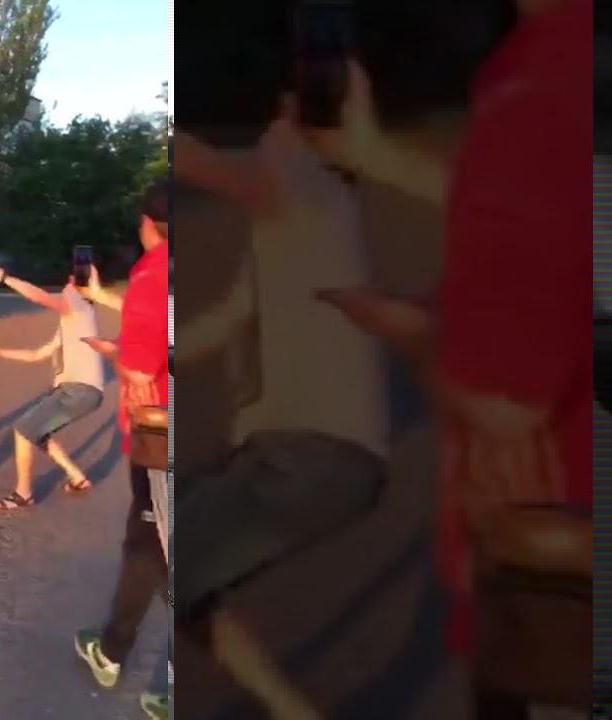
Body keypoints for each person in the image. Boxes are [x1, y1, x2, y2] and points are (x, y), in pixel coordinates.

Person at [306, 0, 591, 712]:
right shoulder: (555, 58)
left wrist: (417, 334)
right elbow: (554, 216)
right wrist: (375, 155)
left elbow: (505, 404)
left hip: (553, 572)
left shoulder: (537, 84)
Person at [81, 99, 393, 720]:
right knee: (192, 584)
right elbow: (220, 323)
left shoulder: (312, 198)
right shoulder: (296, 238)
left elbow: (209, 165)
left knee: (166, 554)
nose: (270, 136)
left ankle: (129, 659)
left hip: (304, 454)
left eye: (284, 129)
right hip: (318, 458)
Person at [72, 178, 172, 719]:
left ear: (147, 224)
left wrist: (112, 351)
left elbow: (138, 369)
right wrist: (102, 297)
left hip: (161, 434)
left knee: (150, 545)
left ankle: (115, 654)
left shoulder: (155, 270)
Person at [0, 268, 105, 509]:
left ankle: (23, 494)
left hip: (76, 391)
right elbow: (37, 354)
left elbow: (39, 297)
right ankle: (77, 477)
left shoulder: (79, 306)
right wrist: (1, 353)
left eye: (72, 281)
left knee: (23, 429)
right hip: (82, 393)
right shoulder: (73, 323)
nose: (66, 284)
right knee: (37, 432)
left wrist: (5, 278)